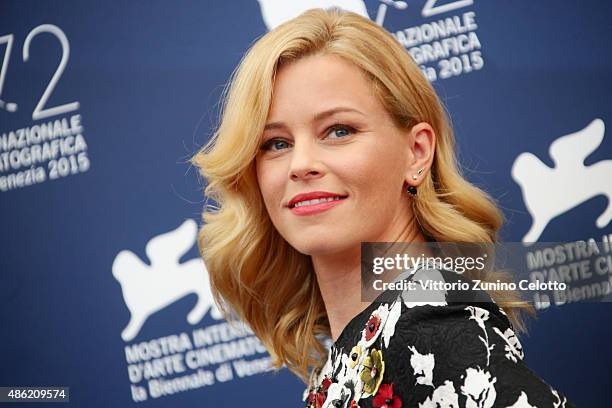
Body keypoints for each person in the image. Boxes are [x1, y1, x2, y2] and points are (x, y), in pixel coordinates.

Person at [191, 7, 576, 407]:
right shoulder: (370, 343)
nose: (301, 163)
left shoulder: (431, 335)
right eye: (276, 143)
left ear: (417, 152)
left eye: (339, 131)